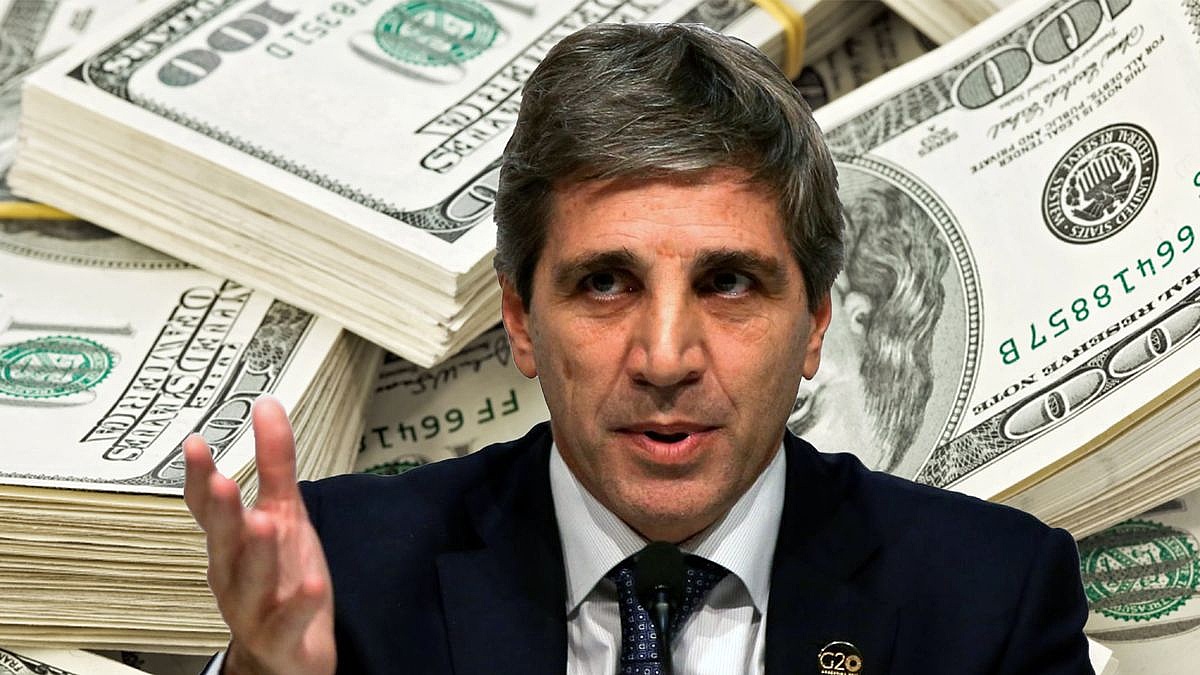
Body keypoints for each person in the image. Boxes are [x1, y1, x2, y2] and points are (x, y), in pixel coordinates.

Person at [185, 22, 1093, 675]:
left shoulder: (991, 599)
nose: (664, 359)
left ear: (816, 321)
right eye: (605, 283)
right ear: (519, 318)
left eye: (728, 282)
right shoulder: (343, 577)